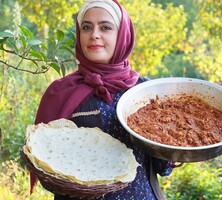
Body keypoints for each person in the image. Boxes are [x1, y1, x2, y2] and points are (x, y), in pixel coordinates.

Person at [29, 0, 177, 199]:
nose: (94, 35)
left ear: (122, 34)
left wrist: (175, 148)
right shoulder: (61, 92)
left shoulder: (145, 92)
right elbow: (46, 163)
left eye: (105, 27)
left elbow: (162, 168)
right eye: (87, 27)